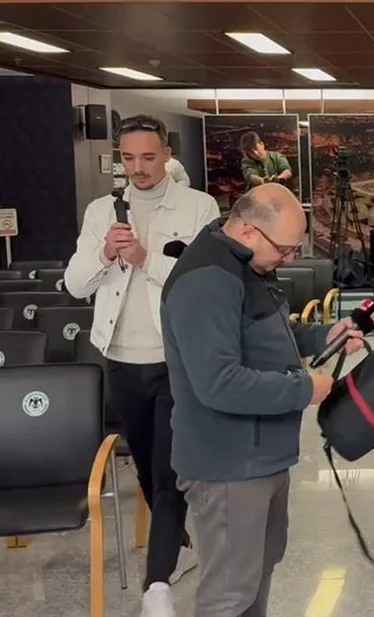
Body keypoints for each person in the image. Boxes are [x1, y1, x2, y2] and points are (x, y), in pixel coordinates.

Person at [160, 183, 364, 617]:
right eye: (285, 249)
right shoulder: (206, 280)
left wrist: (323, 336)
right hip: (228, 465)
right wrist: (305, 389)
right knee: (228, 594)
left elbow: (267, 336)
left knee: (255, 576)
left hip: (261, 457)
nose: (289, 259)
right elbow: (219, 383)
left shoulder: (244, 262)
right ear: (249, 230)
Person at [63, 114, 220, 617]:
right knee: (150, 473)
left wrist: (145, 257)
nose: (138, 168)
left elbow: (206, 282)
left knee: (169, 471)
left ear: (167, 154)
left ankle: (157, 585)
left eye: (148, 157)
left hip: (176, 359)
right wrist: (105, 252)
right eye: (128, 158)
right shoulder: (100, 212)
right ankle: (177, 547)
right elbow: (76, 285)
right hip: (120, 359)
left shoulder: (199, 207)